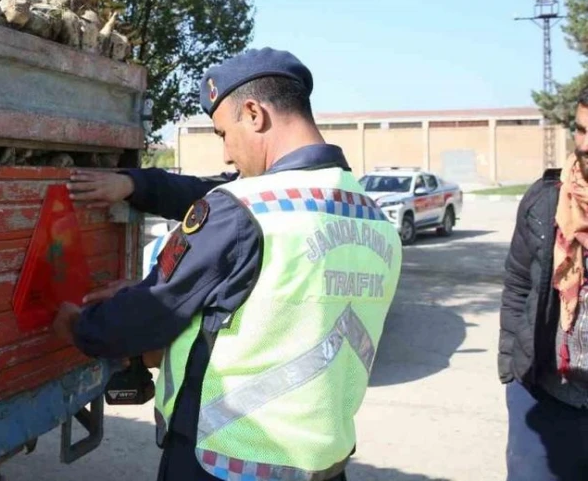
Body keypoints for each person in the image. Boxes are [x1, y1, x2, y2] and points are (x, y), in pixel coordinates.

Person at [51, 47, 402, 481]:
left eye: (222, 134)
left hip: (225, 460)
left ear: (253, 113)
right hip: (321, 465)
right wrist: (136, 186)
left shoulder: (245, 209)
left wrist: (81, 326)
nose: (227, 156)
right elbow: (266, 314)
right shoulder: (373, 219)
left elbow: (152, 314)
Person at [499, 87, 588, 481]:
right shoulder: (546, 201)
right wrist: (512, 372)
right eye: (582, 131)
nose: (585, 147)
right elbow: (518, 284)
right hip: (546, 397)